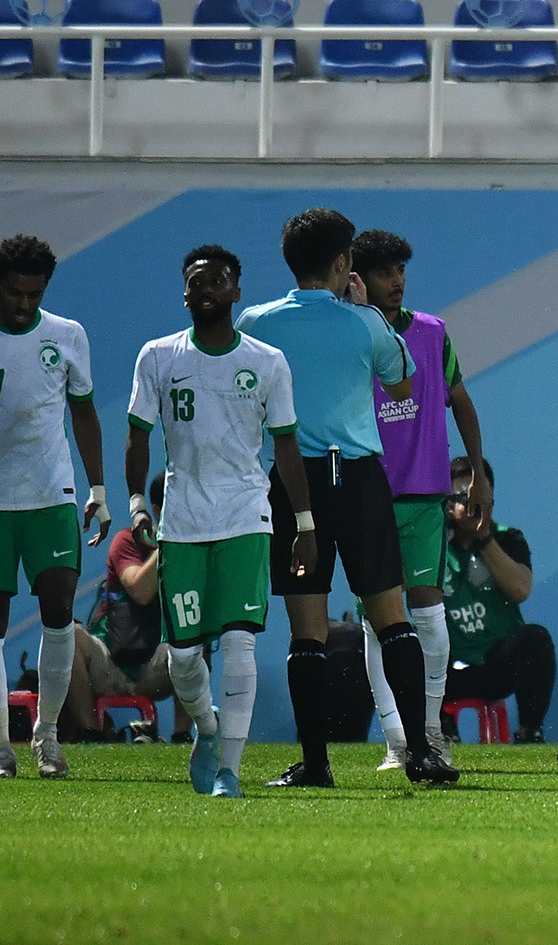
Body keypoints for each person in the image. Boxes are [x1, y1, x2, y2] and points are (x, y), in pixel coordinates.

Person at [237, 208, 458, 787]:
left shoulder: (256, 321)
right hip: (357, 480)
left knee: (306, 631)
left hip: (294, 483)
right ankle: (421, 754)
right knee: (391, 618)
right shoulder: (364, 322)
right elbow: (402, 382)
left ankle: (316, 765)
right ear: (343, 263)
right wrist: (364, 312)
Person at [124, 245, 316, 797]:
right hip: (182, 523)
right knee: (184, 658)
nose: (205, 288)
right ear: (184, 294)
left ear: (237, 291)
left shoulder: (267, 361)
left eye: (217, 280)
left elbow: (286, 447)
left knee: (239, 643)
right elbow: (138, 435)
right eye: (196, 281)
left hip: (246, 517)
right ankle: (206, 727)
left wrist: (305, 524)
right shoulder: (158, 356)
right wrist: (137, 503)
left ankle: (229, 771)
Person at [347, 229, 492, 771]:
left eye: (401, 271)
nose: (397, 281)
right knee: (376, 620)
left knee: (428, 615)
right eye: (385, 273)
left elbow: (460, 400)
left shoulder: (432, 332)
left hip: (425, 494)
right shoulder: (348, 335)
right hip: (366, 495)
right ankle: (395, 741)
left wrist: (478, 474)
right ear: (358, 278)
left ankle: (429, 734)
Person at [0, 234, 110, 779]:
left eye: (35, 294)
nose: (24, 304)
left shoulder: (67, 335)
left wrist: (99, 490)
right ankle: (1, 745)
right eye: (15, 293)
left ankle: (47, 735)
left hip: (52, 497)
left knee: (60, 613)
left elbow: (84, 413)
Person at [68, 471, 192, 744]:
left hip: (158, 667)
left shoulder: (195, 550)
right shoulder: (126, 541)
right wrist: (169, 541)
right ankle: (91, 734)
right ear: (157, 510)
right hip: (110, 663)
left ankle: (181, 735)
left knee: (195, 632)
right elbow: (140, 590)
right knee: (69, 637)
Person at [441, 457, 553, 744]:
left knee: (536, 639)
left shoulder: (507, 538)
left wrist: (483, 538)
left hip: (494, 666)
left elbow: (520, 590)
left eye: (475, 496)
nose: (469, 505)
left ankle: (529, 733)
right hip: (444, 668)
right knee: (406, 646)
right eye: (460, 497)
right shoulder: (432, 543)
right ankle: (438, 732)